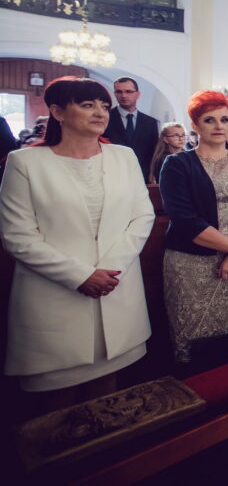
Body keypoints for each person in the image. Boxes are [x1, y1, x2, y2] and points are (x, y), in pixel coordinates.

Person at [0, 77, 154, 411]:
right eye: (87, 105)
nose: (100, 112)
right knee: (59, 406)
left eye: (104, 106)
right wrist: (80, 275)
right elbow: (18, 236)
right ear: (58, 112)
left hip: (116, 285)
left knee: (109, 398)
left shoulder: (123, 156)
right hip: (55, 295)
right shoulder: (25, 163)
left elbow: (143, 216)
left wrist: (109, 269)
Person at [159, 91, 228, 364]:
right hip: (193, 259)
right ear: (195, 125)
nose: (218, 126)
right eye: (209, 120)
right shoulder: (177, 164)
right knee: (196, 336)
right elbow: (183, 218)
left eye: (224, 119)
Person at [103, 76, 160, 177]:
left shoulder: (151, 123)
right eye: (119, 92)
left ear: (138, 94)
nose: (124, 95)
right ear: (115, 94)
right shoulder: (104, 118)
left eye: (129, 91)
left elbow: (153, 153)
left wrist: (152, 175)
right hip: (111, 174)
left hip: (142, 175)